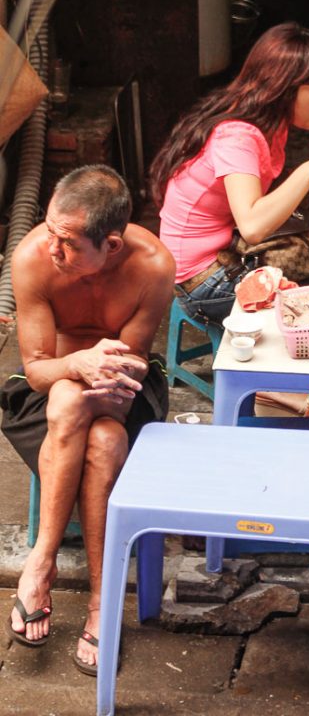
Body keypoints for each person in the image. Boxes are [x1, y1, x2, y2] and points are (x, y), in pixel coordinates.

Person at [0, 165, 175, 674]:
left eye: (69, 242)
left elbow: (128, 374)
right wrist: (76, 364)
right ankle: (95, 596)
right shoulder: (33, 258)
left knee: (92, 422)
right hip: (46, 388)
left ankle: (46, 566)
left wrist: (93, 374)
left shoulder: (153, 267)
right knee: (76, 414)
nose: (53, 249)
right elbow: (35, 371)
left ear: (112, 245)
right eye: (51, 232)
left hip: (124, 386)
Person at [150, 21, 309, 327]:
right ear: (284, 89)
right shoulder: (237, 137)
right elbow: (252, 227)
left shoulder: (267, 121)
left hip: (225, 250)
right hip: (204, 282)